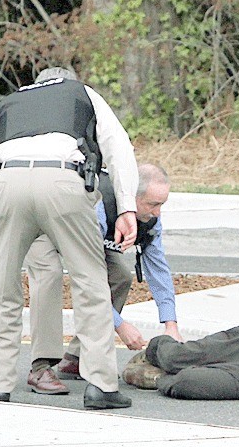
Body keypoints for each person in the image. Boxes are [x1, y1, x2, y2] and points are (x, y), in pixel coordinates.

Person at [0, 66, 138, 410]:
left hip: (7, 183)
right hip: (62, 182)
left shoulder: (8, 103)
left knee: (2, 289)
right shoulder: (83, 94)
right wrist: (127, 208)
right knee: (91, 283)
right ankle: (100, 385)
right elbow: (118, 148)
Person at [25, 163, 182, 394]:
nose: (158, 212)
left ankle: (76, 358)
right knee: (49, 276)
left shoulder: (151, 221)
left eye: (162, 204)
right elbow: (87, 282)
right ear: (129, 197)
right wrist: (119, 325)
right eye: (152, 204)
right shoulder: (98, 207)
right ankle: (40, 367)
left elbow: (158, 271)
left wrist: (171, 324)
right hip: (47, 225)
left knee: (119, 275)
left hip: (88, 238)